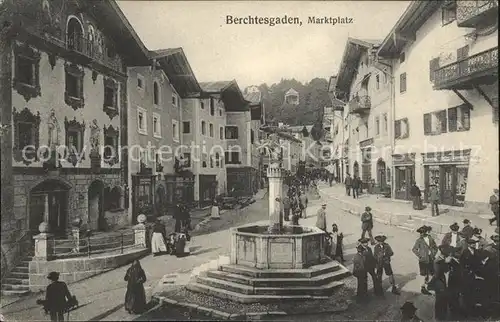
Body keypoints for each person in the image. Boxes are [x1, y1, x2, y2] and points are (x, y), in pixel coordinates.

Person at [427, 245, 453, 321]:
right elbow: (437, 275)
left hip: (443, 283)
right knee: (440, 302)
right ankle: (439, 318)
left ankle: (442, 317)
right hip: (440, 284)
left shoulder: (442, 260)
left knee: (443, 302)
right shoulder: (438, 261)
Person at [412, 225, 438, 295]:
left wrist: (433, 253)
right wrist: (420, 256)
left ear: (426, 232)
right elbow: (414, 249)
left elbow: (435, 247)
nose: (421, 234)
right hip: (423, 260)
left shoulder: (430, 238)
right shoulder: (419, 240)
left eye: (422, 232)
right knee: (423, 274)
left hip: (430, 258)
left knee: (430, 273)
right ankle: (423, 287)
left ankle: (429, 286)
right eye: (420, 233)